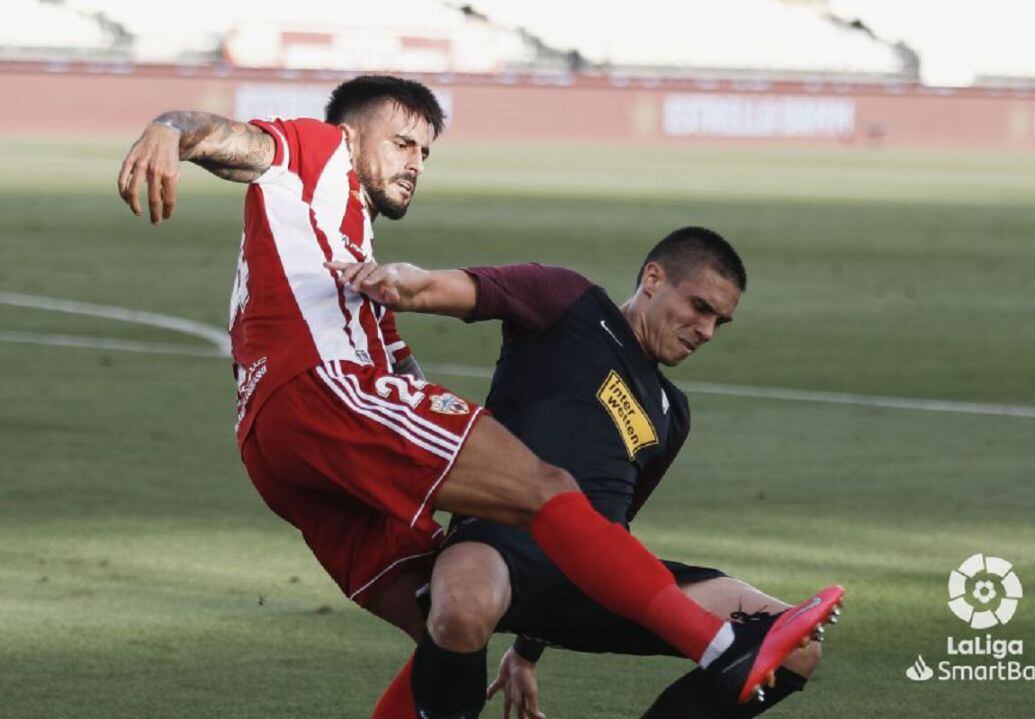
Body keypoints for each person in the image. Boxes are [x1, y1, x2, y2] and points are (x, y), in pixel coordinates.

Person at [117, 75, 841, 716]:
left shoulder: (340, 235)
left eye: (425, 153)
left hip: (283, 439)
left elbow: (609, 531)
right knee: (543, 489)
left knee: (435, 623)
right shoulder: (311, 151)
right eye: (403, 143)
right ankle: (719, 646)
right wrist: (168, 130)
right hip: (328, 390)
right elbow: (226, 138)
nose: (414, 164)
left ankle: (721, 645)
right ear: (351, 131)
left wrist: (526, 650)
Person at [327, 226, 843, 719]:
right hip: (496, 547)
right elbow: (454, 286)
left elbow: (612, 534)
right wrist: (398, 281)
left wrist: (527, 652)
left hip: (594, 577)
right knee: (462, 608)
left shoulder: (672, 412)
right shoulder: (566, 302)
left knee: (796, 647)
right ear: (654, 278)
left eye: (719, 322)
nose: (705, 331)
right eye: (700, 308)